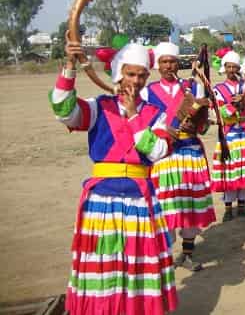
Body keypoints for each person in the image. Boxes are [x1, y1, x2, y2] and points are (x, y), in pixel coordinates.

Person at [51, 42, 178, 315]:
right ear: (119, 74)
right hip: (102, 201)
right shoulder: (99, 106)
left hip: (139, 200)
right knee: (103, 261)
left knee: (138, 263)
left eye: (142, 75)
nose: (137, 80)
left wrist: (133, 115)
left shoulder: (156, 114)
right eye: (131, 74)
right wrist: (70, 67)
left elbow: (157, 151)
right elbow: (64, 112)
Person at [144, 42, 216, 271]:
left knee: (189, 205)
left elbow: (203, 124)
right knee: (164, 207)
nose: (168, 66)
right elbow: (139, 124)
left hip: (190, 152)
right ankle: (165, 256)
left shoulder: (192, 88)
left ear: (178, 63)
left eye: (172, 61)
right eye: (164, 62)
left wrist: (200, 121)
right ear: (157, 66)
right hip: (164, 156)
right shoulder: (147, 92)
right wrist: (162, 130)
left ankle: (187, 254)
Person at [212, 51, 245, 221]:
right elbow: (220, 113)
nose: (232, 69)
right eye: (229, 66)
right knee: (230, 171)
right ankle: (228, 208)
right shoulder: (218, 89)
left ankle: (242, 205)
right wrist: (233, 106)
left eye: (235, 66)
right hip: (230, 135)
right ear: (224, 69)